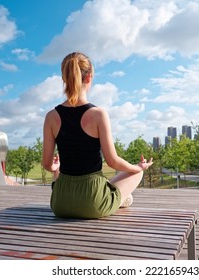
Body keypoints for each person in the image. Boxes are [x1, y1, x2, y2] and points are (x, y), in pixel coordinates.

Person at [42, 52, 153, 219]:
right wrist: (138, 167)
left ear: (64, 78)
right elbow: (112, 161)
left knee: (63, 174)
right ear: (89, 78)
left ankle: (115, 197)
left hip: (60, 203)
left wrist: (55, 168)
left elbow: (46, 163)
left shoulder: (51, 116)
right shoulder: (98, 115)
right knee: (136, 173)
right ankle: (117, 198)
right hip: (91, 203)